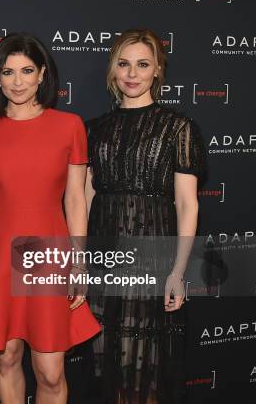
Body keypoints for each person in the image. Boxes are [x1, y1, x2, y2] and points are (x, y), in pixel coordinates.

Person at [0, 33, 101, 404]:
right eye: (8, 71)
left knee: (50, 373)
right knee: (6, 358)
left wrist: (79, 262)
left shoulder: (69, 126)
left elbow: (75, 200)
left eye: (27, 71)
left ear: (41, 76)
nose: (17, 81)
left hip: (49, 251)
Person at [85, 28, 205, 404]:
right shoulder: (95, 128)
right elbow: (86, 197)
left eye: (142, 64)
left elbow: (187, 204)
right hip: (103, 257)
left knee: (147, 371)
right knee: (109, 371)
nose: (132, 74)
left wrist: (178, 272)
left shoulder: (178, 127)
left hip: (153, 257)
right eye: (123, 64)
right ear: (112, 71)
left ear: (157, 71)